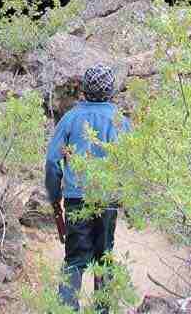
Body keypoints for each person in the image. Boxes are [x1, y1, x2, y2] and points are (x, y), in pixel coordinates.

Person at [43, 63, 130, 311]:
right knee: (104, 257)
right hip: (107, 199)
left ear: (84, 89)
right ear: (110, 90)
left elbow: (52, 162)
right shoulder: (120, 121)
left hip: (74, 199)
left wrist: (54, 196)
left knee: (74, 260)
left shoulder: (70, 118)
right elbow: (131, 165)